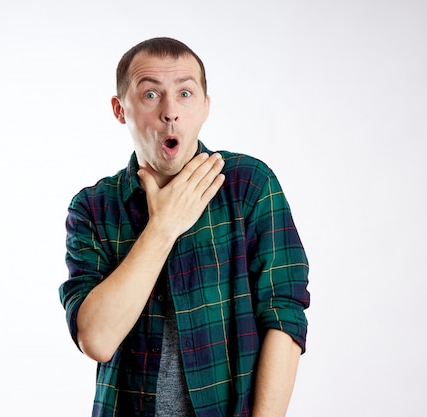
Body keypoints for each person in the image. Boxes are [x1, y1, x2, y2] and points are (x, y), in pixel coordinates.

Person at [59, 37, 310, 417]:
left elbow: (283, 315)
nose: (170, 111)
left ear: (206, 106)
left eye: (186, 93)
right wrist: (164, 226)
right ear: (119, 109)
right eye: (150, 95)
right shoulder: (93, 208)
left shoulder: (248, 186)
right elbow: (97, 338)